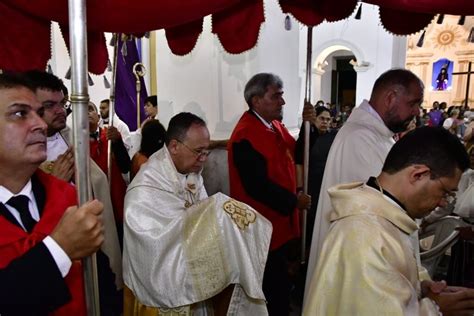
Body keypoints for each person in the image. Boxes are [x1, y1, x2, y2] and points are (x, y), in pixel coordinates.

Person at [304, 127, 474, 315]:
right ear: (419, 175)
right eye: (445, 192)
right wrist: (436, 309)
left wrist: (421, 288)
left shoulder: (385, 215)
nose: (443, 202)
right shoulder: (365, 233)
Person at [123, 112, 272, 316]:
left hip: (193, 282)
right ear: (174, 146)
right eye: (198, 151)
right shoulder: (144, 189)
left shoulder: (190, 175)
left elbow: (201, 220)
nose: (203, 159)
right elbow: (153, 249)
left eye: (206, 152)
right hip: (159, 296)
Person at [305, 69, 424, 297]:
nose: (417, 111)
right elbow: (382, 210)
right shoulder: (360, 139)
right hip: (361, 265)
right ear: (390, 98)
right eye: (413, 103)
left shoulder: (377, 135)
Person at [0, 72, 104, 314]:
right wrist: (60, 248)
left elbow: (101, 283)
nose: (41, 124)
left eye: (38, 113)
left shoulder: (68, 197)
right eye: (19, 113)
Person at [24, 70, 123, 299]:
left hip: (94, 242)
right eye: (50, 105)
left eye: (62, 103)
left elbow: (96, 179)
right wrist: (53, 184)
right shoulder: (21, 152)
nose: (61, 111)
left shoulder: (69, 137)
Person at [228, 73, 311, 315]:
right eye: (276, 96)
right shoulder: (245, 135)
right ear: (256, 101)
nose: (282, 102)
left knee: (283, 287)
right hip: (262, 228)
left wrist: (309, 127)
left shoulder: (274, 126)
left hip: (280, 225)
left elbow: (297, 153)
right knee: (272, 292)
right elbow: (257, 186)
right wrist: (293, 201)